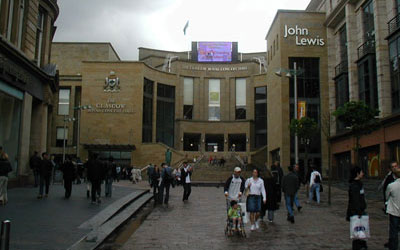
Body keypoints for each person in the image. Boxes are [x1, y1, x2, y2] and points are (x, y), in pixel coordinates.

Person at [346, 166, 368, 250]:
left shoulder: (359, 184)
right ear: (357, 173)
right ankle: (359, 246)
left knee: (361, 229)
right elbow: (355, 200)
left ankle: (362, 244)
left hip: (359, 210)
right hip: (356, 212)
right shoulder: (354, 185)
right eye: (361, 172)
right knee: (357, 230)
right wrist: (359, 212)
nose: (363, 173)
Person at [386, 168, 400, 250]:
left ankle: (394, 247)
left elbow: (387, 196)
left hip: (394, 210)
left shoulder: (391, 186)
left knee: (394, 230)